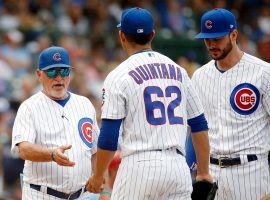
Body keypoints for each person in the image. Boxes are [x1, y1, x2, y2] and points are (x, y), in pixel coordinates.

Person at [86, 7, 212, 200]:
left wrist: (97, 176)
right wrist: (203, 171)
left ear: (122, 36)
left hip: (139, 166)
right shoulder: (179, 71)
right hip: (177, 167)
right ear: (152, 35)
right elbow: (199, 125)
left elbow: (109, 138)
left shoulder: (118, 75)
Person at [11, 46, 108, 199]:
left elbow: (96, 151)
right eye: (51, 72)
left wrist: (105, 191)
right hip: (42, 194)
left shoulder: (84, 103)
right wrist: (52, 154)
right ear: (39, 74)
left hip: (82, 195)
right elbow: (23, 149)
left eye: (64, 71)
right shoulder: (29, 107)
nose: (58, 77)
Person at [192, 8, 270, 200]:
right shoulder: (199, 76)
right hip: (211, 174)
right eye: (207, 39)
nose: (211, 44)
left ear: (233, 34)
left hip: (250, 172)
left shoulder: (263, 72)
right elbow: (194, 129)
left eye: (217, 38)